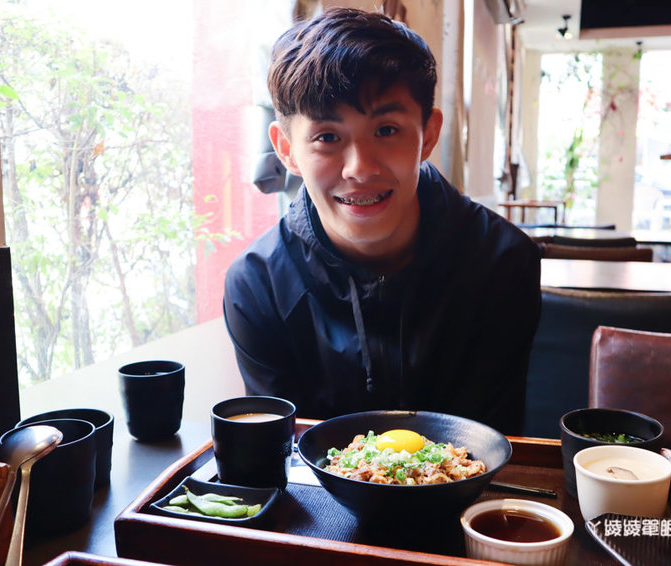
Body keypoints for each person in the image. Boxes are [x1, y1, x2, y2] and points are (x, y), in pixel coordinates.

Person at [223, 7, 541, 435]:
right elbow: (282, 451)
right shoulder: (258, 285)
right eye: (327, 137)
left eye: (387, 130)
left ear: (428, 135)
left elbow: (489, 444)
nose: (360, 168)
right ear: (287, 150)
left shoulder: (501, 262)